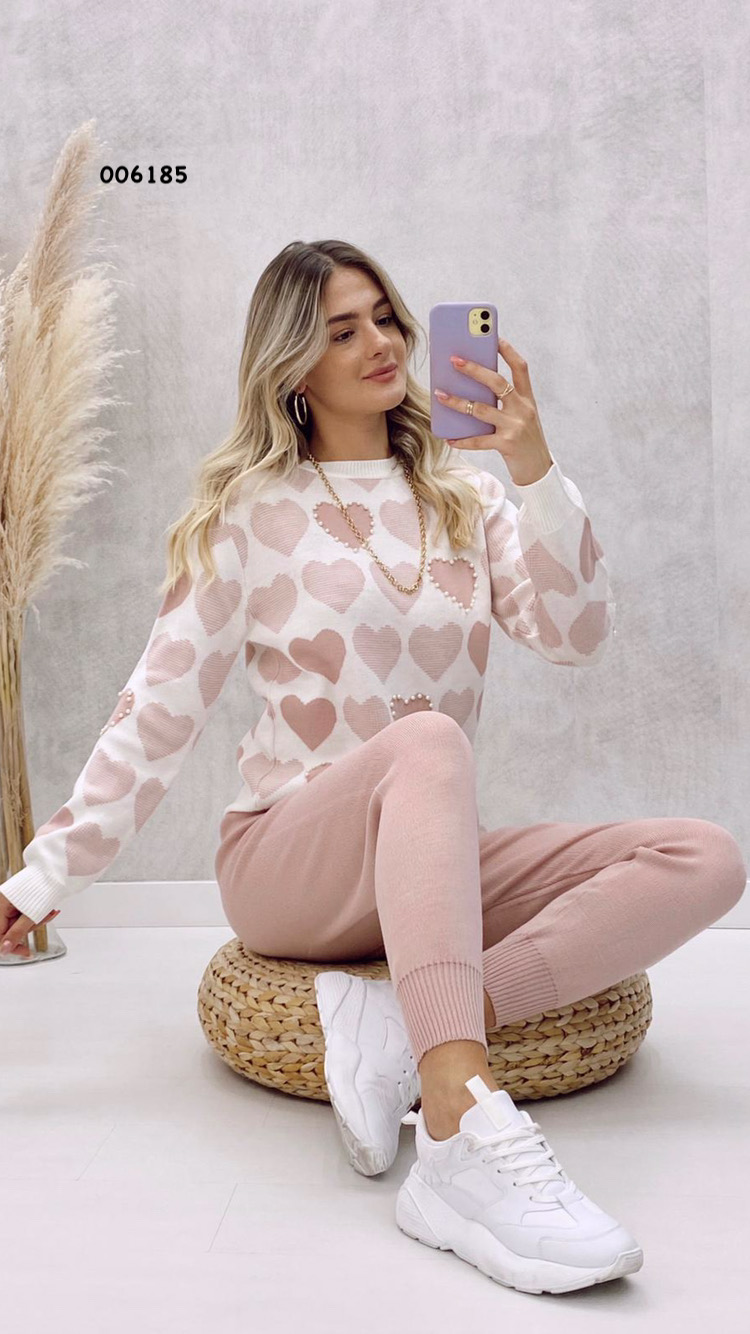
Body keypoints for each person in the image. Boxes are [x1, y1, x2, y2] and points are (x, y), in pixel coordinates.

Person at [2, 240, 746, 1294]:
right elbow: (154, 712)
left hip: (422, 859)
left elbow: (577, 634)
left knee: (703, 856)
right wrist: (42, 878)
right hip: (288, 865)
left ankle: (399, 1020)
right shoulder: (248, 513)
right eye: (341, 330)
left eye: (385, 318)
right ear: (293, 367)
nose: (380, 343)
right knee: (431, 739)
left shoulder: (466, 497)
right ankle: (456, 1129)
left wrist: (533, 468)